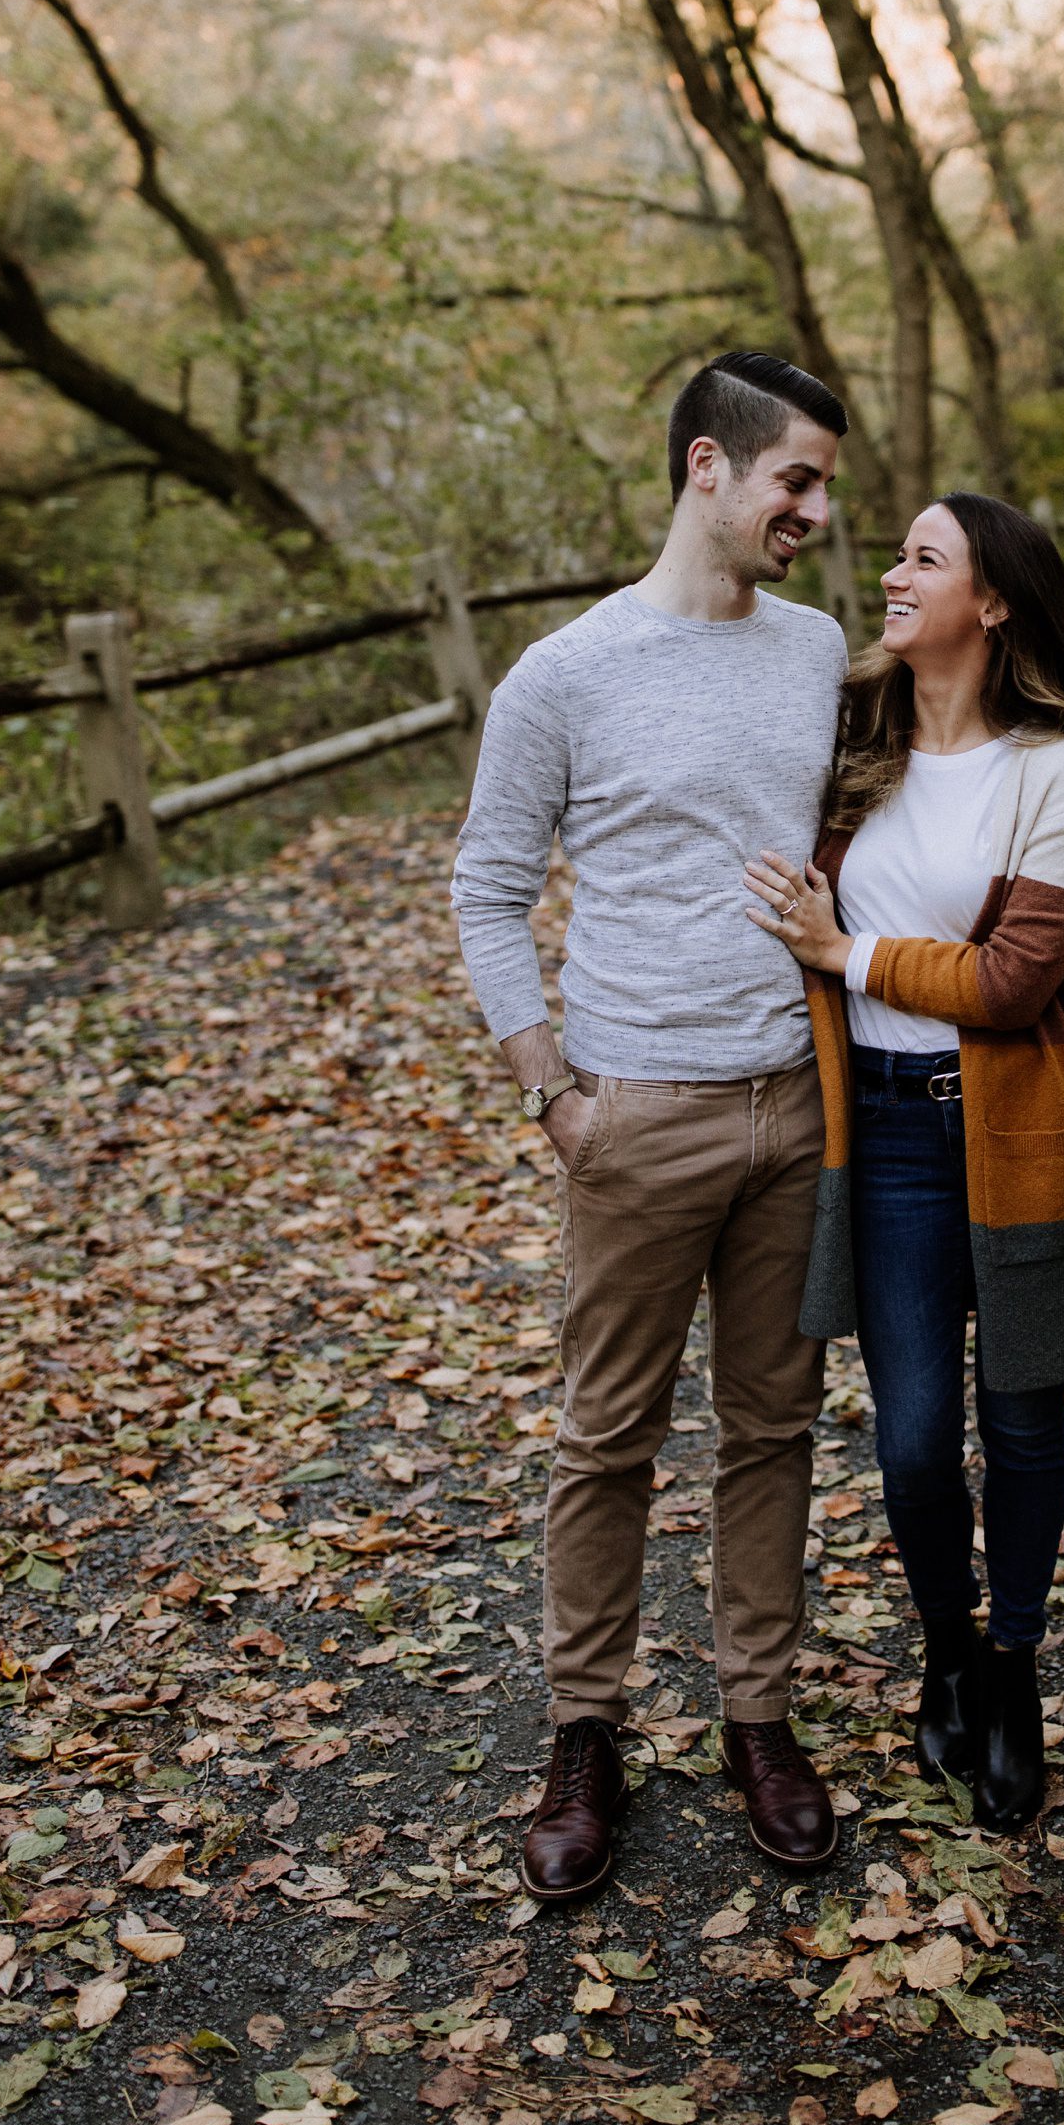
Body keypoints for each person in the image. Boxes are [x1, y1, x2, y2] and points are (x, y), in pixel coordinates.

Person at [450, 351, 852, 1901]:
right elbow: (488, 886)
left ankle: (759, 1715)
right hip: (636, 1113)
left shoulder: (817, 650)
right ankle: (584, 1733)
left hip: (795, 1111)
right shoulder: (566, 671)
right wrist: (552, 1091)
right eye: (794, 480)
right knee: (606, 1437)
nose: (815, 510)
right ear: (707, 466)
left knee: (772, 1428)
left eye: (822, 484)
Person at [745, 492, 1064, 1831]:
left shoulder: (1054, 765)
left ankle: (1013, 1675)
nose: (893, 574)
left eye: (924, 557)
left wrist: (846, 954)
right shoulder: (857, 733)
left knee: (1021, 1422)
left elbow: (1017, 981)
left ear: (997, 600)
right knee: (912, 1445)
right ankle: (949, 1650)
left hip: (1013, 1124)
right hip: (891, 1133)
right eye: (898, 554)